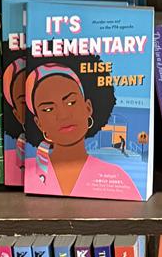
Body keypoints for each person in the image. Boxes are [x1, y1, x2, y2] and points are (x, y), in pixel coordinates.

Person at [22, 64, 142, 199]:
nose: (63, 115)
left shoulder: (116, 177)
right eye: (48, 109)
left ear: (88, 108)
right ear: (39, 123)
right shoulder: (27, 172)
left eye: (71, 102)